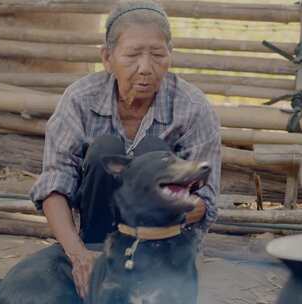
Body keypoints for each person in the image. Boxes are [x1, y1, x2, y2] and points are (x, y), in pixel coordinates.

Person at [28, 0, 221, 301]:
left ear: (170, 56)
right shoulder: (80, 99)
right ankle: (95, 263)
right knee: (105, 149)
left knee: (153, 152)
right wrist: (78, 255)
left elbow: (205, 203)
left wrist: (169, 201)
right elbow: (54, 185)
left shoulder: (193, 108)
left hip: (165, 248)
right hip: (96, 245)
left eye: (158, 54)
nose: (145, 68)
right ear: (107, 57)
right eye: (132, 55)